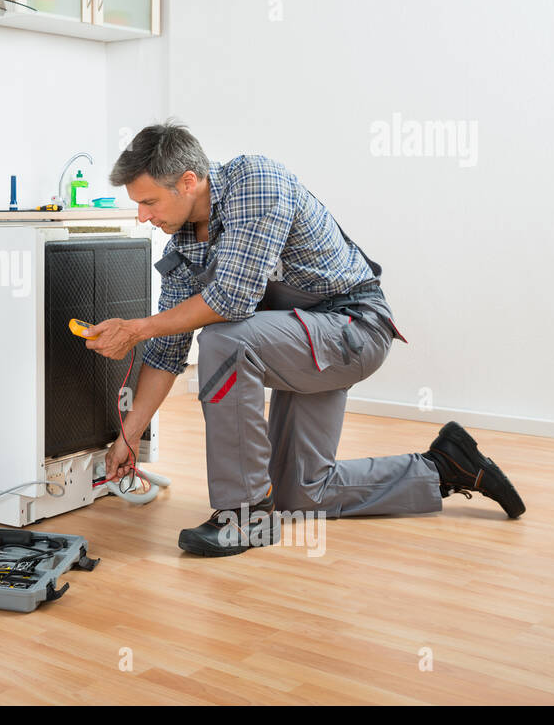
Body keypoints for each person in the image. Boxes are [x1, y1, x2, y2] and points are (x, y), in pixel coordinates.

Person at [81, 121, 525, 556]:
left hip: (351, 328)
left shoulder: (255, 181)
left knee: (224, 340)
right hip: (296, 340)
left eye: (148, 201)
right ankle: (445, 467)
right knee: (301, 494)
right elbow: (166, 351)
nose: (141, 215)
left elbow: (231, 300)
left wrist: (137, 327)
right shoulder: (182, 246)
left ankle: (245, 514)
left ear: (188, 181)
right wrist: (129, 436)